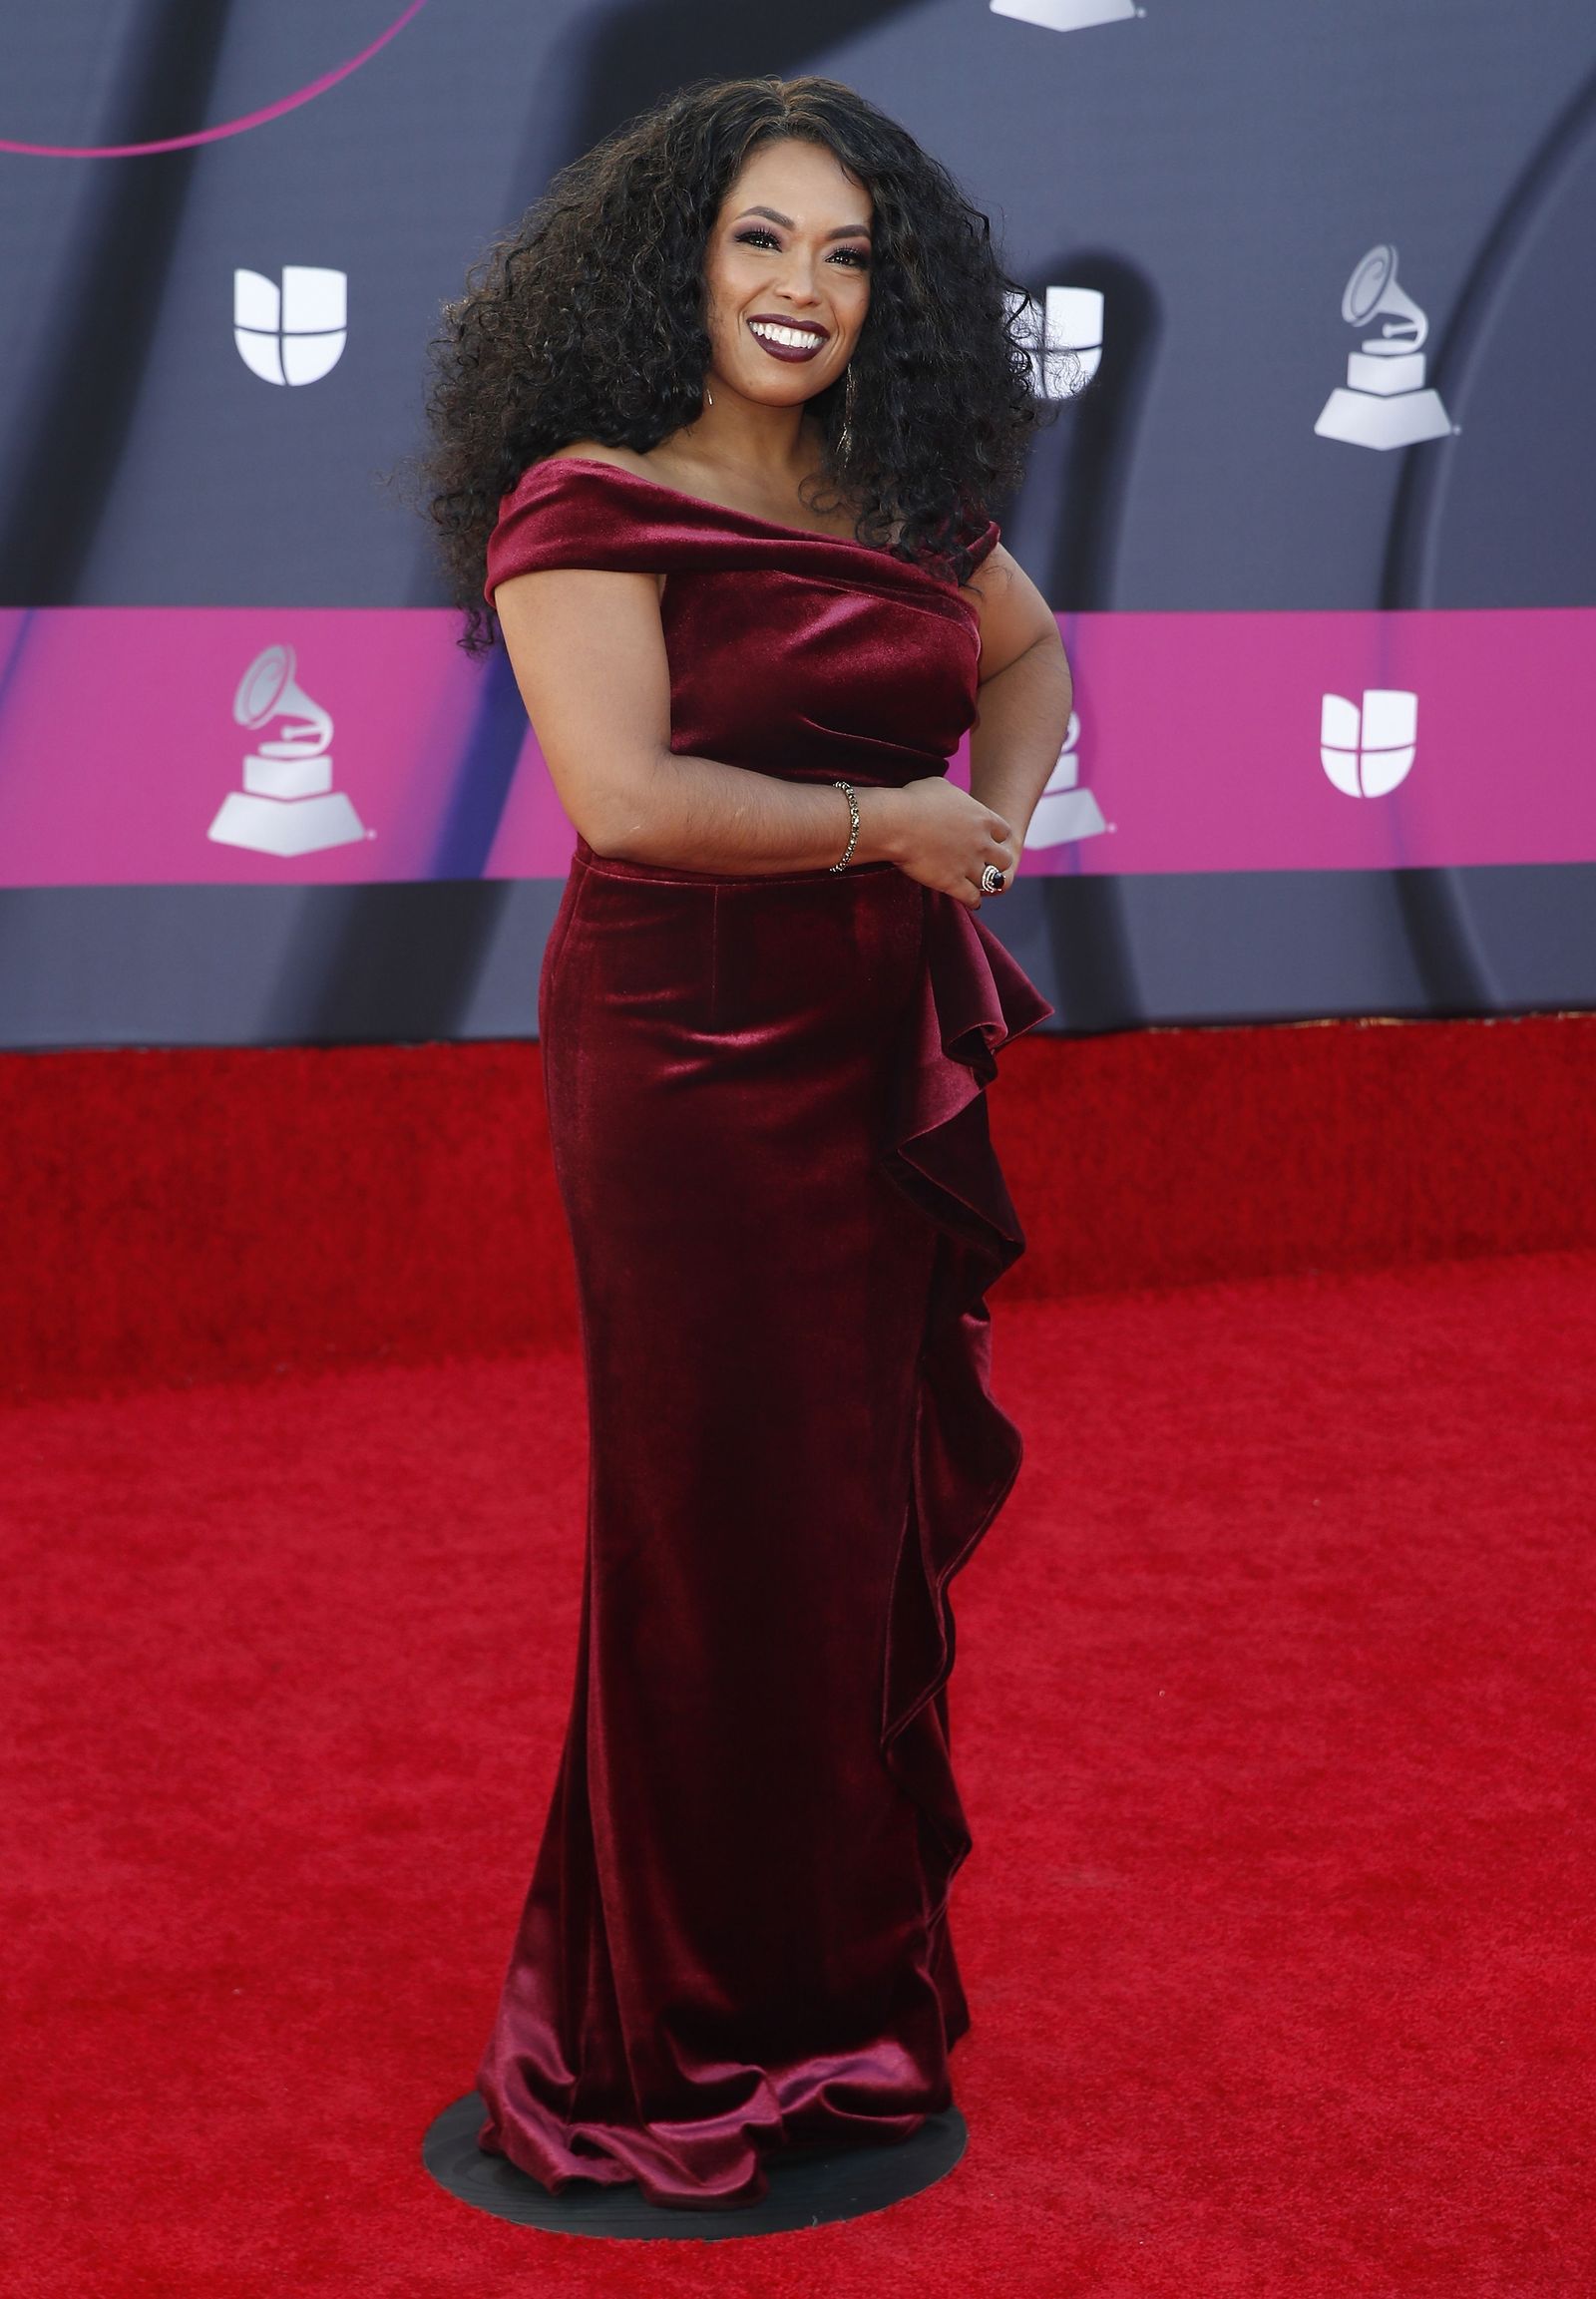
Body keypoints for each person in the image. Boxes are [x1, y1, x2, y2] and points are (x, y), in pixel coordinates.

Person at [416, 73, 1073, 2211]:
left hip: (869, 1052)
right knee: (704, 1540)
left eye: (848, 254)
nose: (803, 287)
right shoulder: (586, 502)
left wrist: (987, 833)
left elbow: (1030, 659)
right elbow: (625, 800)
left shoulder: (909, 499)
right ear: (675, 266)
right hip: (683, 1063)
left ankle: (830, 2010)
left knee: (838, 1533)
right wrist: (900, 826)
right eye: (760, 241)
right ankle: (665, 2037)